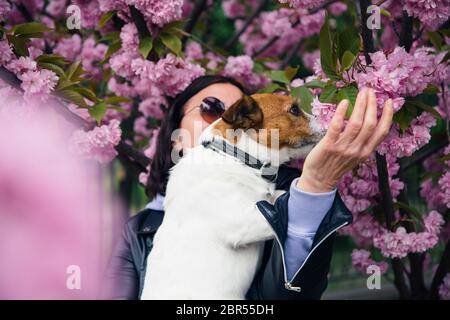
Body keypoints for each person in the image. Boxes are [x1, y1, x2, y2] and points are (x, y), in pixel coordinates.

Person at [103, 75, 393, 299]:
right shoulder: (143, 227)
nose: (222, 117)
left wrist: (314, 188)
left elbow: (295, 293)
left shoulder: (267, 186)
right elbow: (244, 225)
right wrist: (309, 190)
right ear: (175, 137)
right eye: (211, 108)